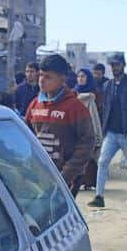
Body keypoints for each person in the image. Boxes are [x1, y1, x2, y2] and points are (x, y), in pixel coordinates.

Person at [24, 54, 96, 195]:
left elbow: (87, 142)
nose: (42, 80)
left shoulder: (75, 107)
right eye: (41, 75)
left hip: (66, 178)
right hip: (39, 174)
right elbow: (26, 135)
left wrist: (67, 174)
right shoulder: (35, 104)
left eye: (48, 77)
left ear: (62, 79)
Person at [89, 52, 127, 208]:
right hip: (112, 133)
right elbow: (105, 109)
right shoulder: (107, 86)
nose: (114, 68)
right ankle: (99, 196)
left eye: (117, 65)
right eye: (112, 65)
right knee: (102, 161)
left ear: (123, 65)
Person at [75, 68, 104, 189]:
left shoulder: (95, 94)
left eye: (83, 76)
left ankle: (90, 183)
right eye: (79, 76)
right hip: (77, 128)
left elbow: (99, 112)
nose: (80, 79)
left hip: (92, 127)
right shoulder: (73, 93)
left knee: (92, 157)